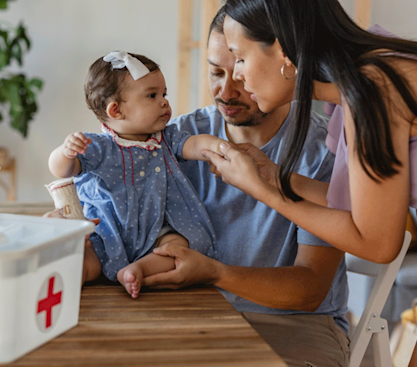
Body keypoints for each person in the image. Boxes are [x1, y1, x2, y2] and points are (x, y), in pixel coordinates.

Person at [202, 1, 417, 366]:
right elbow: (358, 206)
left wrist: (265, 193)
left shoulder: (374, 89)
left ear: (282, 49)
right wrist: (271, 176)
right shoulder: (363, 76)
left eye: (240, 58)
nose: (239, 77)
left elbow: (377, 243)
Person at [143, 8, 350, 367]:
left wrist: (214, 272)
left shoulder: (324, 150)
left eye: (239, 68)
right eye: (216, 71)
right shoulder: (178, 138)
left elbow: (310, 290)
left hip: (294, 325)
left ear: (280, 62)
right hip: (191, 314)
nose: (226, 90)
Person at [48, 51, 227, 298]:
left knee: (181, 245)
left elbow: (195, 145)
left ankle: (138, 269)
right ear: (116, 110)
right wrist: (65, 152)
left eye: (164, 94)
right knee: (87, 259)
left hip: (156, 231)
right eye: (152, 95)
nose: (164, 102)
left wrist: (219, 148)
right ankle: (69, 279)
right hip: (107, 232)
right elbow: (61, 171)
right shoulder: (98, 147)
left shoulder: (166, 139)